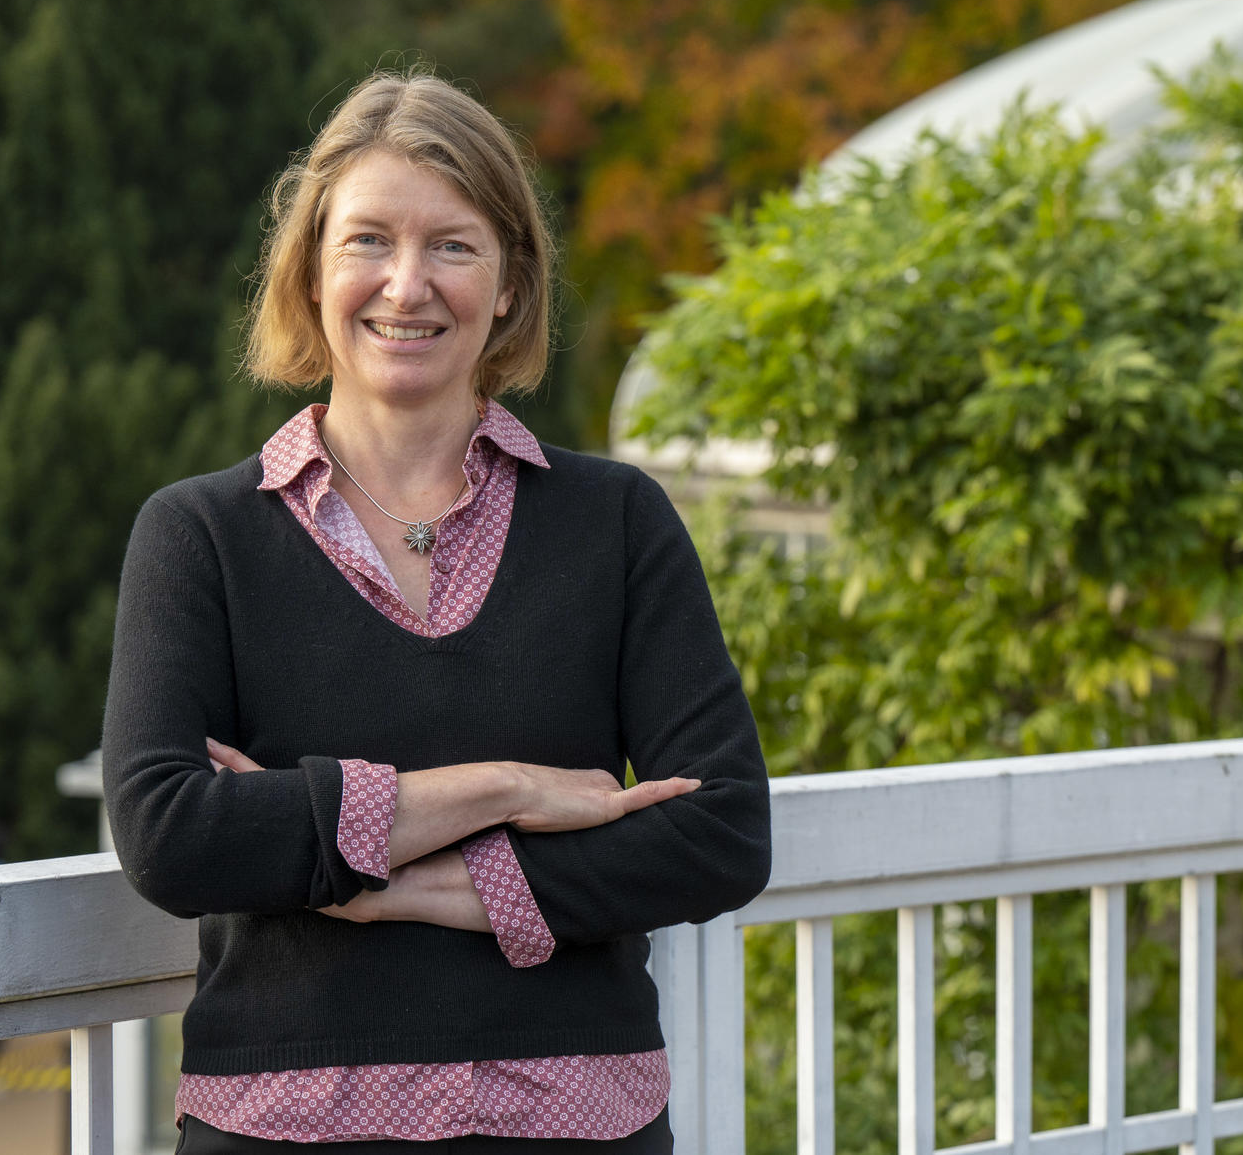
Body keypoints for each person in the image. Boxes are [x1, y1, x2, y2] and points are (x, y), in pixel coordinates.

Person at [102, 69, 772, 1153]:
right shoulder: (201, 537)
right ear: (310, 270)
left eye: (452, 246)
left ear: (508, 283)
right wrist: (506, 789)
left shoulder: (616, 524)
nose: (405, 286)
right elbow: (174, 835)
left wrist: (397, 879)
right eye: (367, 240)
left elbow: (721, 831)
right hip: (285, 1127)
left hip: (570, 1125)